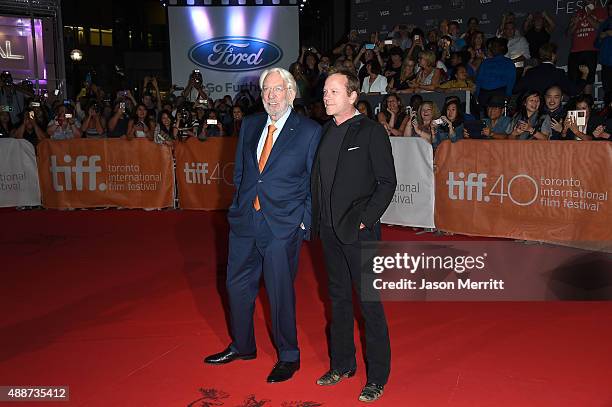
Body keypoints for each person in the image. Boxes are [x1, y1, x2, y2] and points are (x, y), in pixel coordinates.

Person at [204, 68, 322, 384]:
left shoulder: (309, 131)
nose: (270, 95)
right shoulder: (252, 124)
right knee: (236, 286)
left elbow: (315, 183)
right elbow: (243, 174)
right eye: (266, 89)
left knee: (279, 292)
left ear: (291, 93)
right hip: (246, 221)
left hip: (283, 226)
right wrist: (237, 208)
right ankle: (243, 346)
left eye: (277, 89)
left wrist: (302, 224)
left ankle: (289, 356)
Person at [311, 68, 396, 403]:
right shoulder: (324, 132)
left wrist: (365, 219)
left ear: (352, 96)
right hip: (329, 232)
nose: (326, 97)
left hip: (357, 233)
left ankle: (377, 376)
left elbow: (387, 182)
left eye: (333, 92)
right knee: (338, 301)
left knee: (369, 304)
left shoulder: (371, 131)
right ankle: (342, 364)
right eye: (325, 92)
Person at [515, 43, 588, 96]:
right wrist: (584, 75)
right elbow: (574, 91)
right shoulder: (558, 73)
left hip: (533, 111)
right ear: (553, 56)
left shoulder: (531, 72)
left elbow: (515, 89)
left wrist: (524, 74)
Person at [567, 0, 607, 95]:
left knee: (588, 79)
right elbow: (568, 33)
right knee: (574, 78)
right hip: (575, 51)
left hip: (590, 49)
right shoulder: (578, 12)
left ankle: (587, 103)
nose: (589, 1)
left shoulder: (600, 11)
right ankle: (576, 104)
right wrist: (575, 23)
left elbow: (600, 28)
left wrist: (588, 15)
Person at [475, 38, 516, 112]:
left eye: (495, 46)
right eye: (492, 46)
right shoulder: (486, 62)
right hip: (484, 94)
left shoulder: (508, 62)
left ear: (502, 48)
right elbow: (479, 79)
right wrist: (477, 94)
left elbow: (511, 80)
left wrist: (508, 94)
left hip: (499, 94)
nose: (492, 48)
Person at [595, 2, 612, 95]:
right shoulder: (604, 23)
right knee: (607, 91)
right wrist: (600, 38)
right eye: (609, 9)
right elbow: (596, 45)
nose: (611, 11)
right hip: (606, 63)